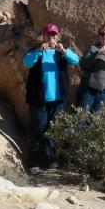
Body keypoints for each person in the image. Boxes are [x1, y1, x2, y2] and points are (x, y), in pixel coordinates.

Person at [23, 23, 79, 173]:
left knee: (52, 130)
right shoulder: (37, 50)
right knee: (37, 129)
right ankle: (33, 162)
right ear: (44, 36)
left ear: (58, 36)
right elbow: (26, 62)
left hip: (58, 99)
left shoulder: (61, 52)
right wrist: (39, 51)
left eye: (54, 35)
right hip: (38, 99)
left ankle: (49, 159)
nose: (51, 37)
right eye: (48, 34)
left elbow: (75, 60)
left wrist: (64, 51)